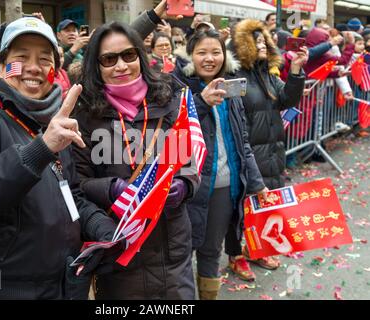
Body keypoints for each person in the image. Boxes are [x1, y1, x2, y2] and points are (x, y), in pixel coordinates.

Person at [0, 17, 120, 300]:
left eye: (45, 59)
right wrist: (41, 149)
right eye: (20, 58)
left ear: (55, 71)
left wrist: (102, 227)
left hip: (59, 289)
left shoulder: (52, 122)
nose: (34, 68)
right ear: (0, 65)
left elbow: (69, 194)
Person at [72, 21, 200, 299]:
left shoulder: (169, 100)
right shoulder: (84, 117)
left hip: (173, 248)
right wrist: (112, 189)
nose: (121, 66)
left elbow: (190, 159)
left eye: (128, 55)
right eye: (109, 59)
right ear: (97, 65)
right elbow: (77, 184)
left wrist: (185, 185)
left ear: (140, 57)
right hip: (121, 252)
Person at [173, 29, 268, 299]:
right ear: (190, 55)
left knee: (211, 250)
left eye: (216, 52)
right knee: (180, 253)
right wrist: (201, 103)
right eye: (202, 52)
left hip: (225, 187)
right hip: (187, 188)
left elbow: (243, 142)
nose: (209, 58)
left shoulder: (230, 88)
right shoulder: (174, 86)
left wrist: (257, 183)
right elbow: (171, 132)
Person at [230, 19, 306, 268]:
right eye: (257, 41)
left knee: (265, 202)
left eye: (264, 40)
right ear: (244, 45)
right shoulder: (235, 77)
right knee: (241, 206)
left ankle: (256, 249)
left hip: (272, 150)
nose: (263, 44)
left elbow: (286, 99)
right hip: (249, 151)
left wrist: (295, 71)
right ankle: (236, 255)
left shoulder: (266, 74)